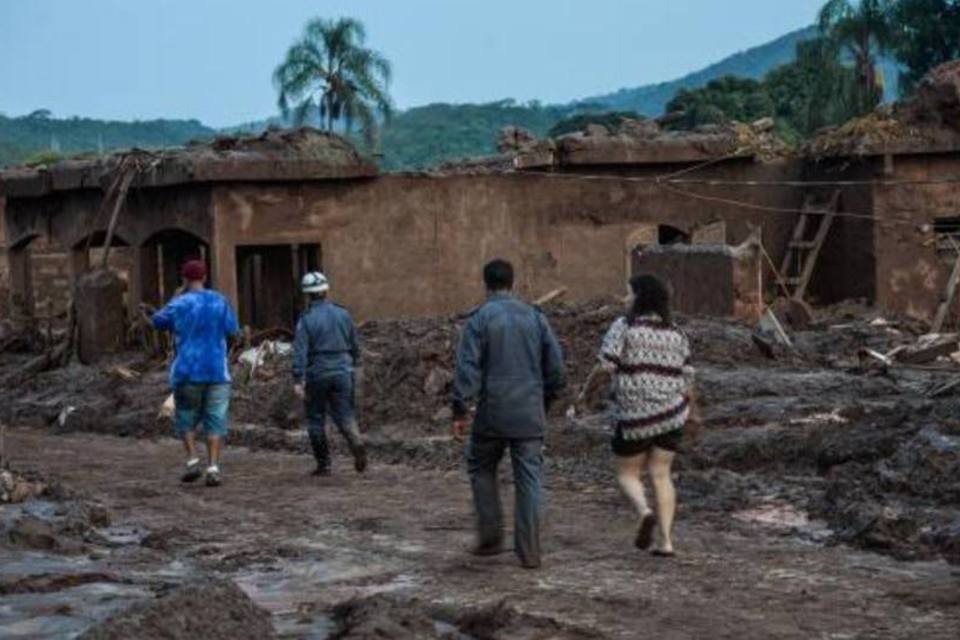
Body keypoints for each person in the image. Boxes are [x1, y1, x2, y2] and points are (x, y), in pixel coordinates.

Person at [452, 258, 566, 569]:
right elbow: (556, 369)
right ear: (512, 283)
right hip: (529, 413)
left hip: (493, 412)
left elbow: (467, 368)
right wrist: (545, 402)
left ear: (485, 284)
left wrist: (460, 409)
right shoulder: (535, 317)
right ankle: (529, 552)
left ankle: (490, 538)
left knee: (480, 467)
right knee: (529, 478)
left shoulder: (479, 319)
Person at [577, 274, 694, 557]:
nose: (624, 299)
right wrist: (692, 412)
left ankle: (644, 512)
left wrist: (584, 394)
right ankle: (666, 542)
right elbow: (688, 376)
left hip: (634, 416)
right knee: (662, 474)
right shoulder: (676, 332)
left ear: (640, 297)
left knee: (628, 473)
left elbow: (605, 366)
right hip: (671, 413)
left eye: (628, 294)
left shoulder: (625, 326)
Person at [149, 259, 240, 487]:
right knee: (215, 420)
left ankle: (192, 461)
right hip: (217, 372)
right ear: (205, 277)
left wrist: (176, 298)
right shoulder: (220, 301)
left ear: (185, 279)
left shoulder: (180, 303)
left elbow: (157, 321)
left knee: (186, 418)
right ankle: (213, 468)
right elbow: (233, 329)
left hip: (187, 372)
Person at [292, 271, 367, 476]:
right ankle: (356, 439)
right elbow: (354, 344)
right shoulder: (343, 314)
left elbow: (300, 350)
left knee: (315, 417)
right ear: (326, 290)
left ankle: (324, 464)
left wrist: (298, 378)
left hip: (318, 372)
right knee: (344, 413)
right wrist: (355, 364)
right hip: (343, 370)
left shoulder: (306, 319)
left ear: (307, 294)